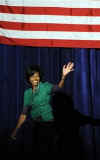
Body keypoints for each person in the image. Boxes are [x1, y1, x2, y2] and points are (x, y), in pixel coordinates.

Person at [10, 62, 74, 153]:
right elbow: (23, 115)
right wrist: (15, 131)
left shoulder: (46, 87)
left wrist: (63, 76)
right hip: (36, 127)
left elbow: (59, 88)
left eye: (37, 76)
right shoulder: (27, 93)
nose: (35, 78)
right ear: (28, 78)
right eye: (32, 76)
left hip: (49, 126)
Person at [51, 91, 100, 159]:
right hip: (72, 146)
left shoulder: (57, 116)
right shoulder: (72, 114)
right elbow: (92, 121)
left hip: (66, 147)